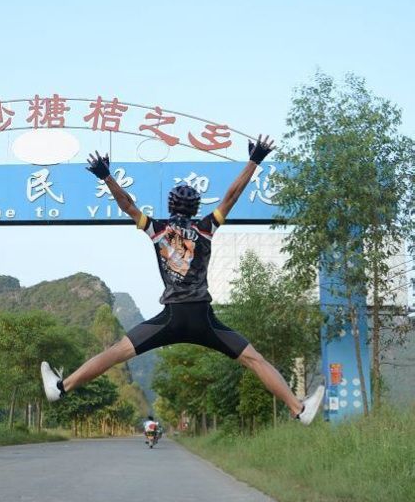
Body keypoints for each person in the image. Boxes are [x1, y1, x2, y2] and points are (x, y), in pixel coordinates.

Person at [41, 137, 324, 425]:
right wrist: (255, 160)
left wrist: (106, 176)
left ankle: (61, 388)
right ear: (195, 207)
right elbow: (232, 195)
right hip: (203, 318)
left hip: (172, 318)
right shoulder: (206, 228)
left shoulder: (157, 229)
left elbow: (127, 204)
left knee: (115, 353)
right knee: (255, 360)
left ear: (171, 205)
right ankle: (298, 409)